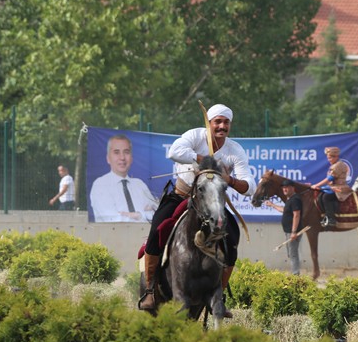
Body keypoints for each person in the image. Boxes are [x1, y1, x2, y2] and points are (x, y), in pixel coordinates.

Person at [140, 103, 256, 313]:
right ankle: (150, 291)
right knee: (157, 230)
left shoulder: (235, 150)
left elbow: (250, 187)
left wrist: (228, 179)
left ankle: (218, 297)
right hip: (181, 196)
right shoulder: (194, 136)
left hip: (212, 203)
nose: (222, 126)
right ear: (209, 123)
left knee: (232, 236)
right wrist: (204, 160)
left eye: (226, 122)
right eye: (217, 122)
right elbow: (174, 152)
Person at [89, 134, 157, 222]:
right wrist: (144, 215)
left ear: (131, 158)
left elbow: (157, 215)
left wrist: (138, 215)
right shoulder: (100, 185)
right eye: (116, 152)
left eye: (126, 152)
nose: (122, 157)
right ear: (108, 158)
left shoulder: (140, 185)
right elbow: (113, 220)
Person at [264, 179, 303, 275]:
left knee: (293, 254)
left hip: (292, 231)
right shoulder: (290, 200)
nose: (285, 189)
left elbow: (296, 215)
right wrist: (272, 205)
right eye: (283, 188)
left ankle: (295, 276)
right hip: (288, 231)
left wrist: (294, 232)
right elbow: (284, 210)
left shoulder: (295, 199)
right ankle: (295, 274)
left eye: (287, 187)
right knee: (291, 253)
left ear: (293, 188)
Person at [310, 146, 352, 227]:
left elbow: (330, 179)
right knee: (320, 195)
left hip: (340, 188)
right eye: (328, 158)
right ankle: (325, 216)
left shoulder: (338, 165)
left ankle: (331, 219)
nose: (329, 160)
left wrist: (316, 185)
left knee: (326, 197)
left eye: (330, 158)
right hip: (333, 187)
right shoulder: (334, 165)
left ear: (336, 157)